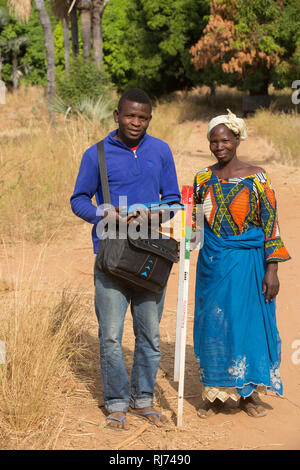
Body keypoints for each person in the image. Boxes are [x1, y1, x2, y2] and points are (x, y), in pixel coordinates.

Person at [70, 88, 181, 430]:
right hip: (112, 260)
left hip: (150, 258)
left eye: (143, 117)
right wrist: (108, 214)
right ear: (117, 116)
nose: (136, 122)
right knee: (111, 336)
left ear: (150, 118)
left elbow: (174, 200)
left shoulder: (161, 151)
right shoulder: (96, 154)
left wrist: (150, 216)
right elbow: (78, 200)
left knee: (149, 336)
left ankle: (143, 400)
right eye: (130, 116)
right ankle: (117, 402)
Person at [192, 109, 291, 419]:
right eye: (213, 141)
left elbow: (271, 224)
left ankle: (248, 394)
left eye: (225, 140)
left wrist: (272, 269)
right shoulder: (202, 179)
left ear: (237, 139)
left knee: (248, 324)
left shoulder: (257, 177)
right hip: (213, 263)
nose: (219, 147)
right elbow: (195, 224)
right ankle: (215, 395)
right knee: (214, 323)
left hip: (249, 262)